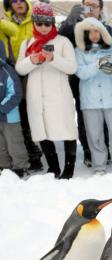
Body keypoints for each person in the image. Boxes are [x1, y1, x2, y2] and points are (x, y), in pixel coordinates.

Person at [16, 2, 78, 179]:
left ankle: (69, 167)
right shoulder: (27, 43)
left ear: (52, 23)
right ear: (34, 23)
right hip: (36, 96)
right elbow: (20, 68)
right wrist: (32, 61)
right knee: (41, 130)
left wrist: (53, 58)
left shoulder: (63, 41)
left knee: (67, 129)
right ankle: (53, 167)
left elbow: (72, 67)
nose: (43, 27)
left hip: (59, 96)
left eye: (47, 23)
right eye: (39, 23)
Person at [60, 0, 112, 168]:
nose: (91, 9)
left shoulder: (108, 29)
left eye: (95, 6)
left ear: (101, 9)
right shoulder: (73, 28)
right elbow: (61, 40)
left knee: (106, 119)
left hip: (105, 83)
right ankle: (89, 151)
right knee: (85, 119)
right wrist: (70, 20)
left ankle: (106, 150)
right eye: (87, 5)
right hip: (82, 82)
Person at [74, 17, 112, 175]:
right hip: (90, 102)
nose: (94, 35)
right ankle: (99, 166)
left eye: (97, 30)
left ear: (103, 32)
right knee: (95, 136)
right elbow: (81, 73)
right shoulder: (79, 52)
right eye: (89, 32)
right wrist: (97, 65)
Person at [3, 0, 42, 172]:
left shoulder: (35, 18)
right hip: (10, 68)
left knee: (28, 113)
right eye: (13, 1)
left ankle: (34, 155)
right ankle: (15, 156)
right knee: (16, 115)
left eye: (21, 0)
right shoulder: (7, 22)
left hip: (32, 67)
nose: (18, 3)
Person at [0, 48, 28, 177]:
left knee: (14, 143)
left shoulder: (7, 71)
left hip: (10, 117)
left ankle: (20, 166)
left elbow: (16, 93)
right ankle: (3, 166)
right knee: (1, 145)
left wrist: (2, 107)